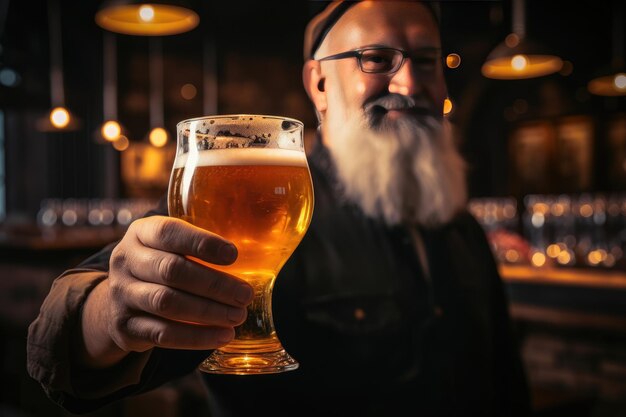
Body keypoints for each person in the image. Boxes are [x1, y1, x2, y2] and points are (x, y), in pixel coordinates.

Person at [27, 1, 531, 416]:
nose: (410, 85)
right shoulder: (257, 202)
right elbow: (64, 350)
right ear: (318, 84)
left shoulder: (459, 223)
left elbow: (505, 379)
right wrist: (109, 312)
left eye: (427, 61)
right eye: (377, 59)